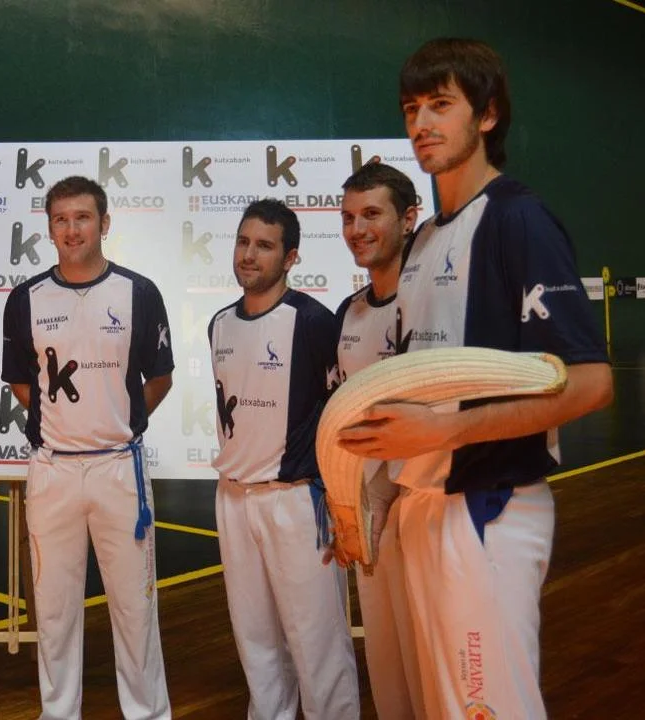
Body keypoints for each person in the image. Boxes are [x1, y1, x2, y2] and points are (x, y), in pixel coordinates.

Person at [338, 38, 614, 719]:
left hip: (488, 508)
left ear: (486, 115)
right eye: (412, 109)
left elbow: (590, 383)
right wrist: (373, 497)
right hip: (421, 506)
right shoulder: (425, 240)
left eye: (441, 105)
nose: (421, 124)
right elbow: (416, 390)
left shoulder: (518, 219)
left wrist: (446, 431)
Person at [1, 175, 173, 720]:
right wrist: (66, 426)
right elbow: (22, 383)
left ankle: (147, 713)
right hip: (52, 471)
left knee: (135, 609)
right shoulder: (25, 298)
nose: (72, 229)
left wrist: (119, 421)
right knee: (53, 612)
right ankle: (58, 713)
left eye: (82, 218)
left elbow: (159, 377)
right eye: (61, 219)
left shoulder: (139, 292)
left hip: (119, 469)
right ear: (49, 228)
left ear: (104, 223)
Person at [207, 198, 358, 720]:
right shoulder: (219, 324)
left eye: (264, 246)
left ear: (290, 257)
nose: (249, 255)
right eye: (243, 242)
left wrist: (338, 500)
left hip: (296, 501)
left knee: (317, 643)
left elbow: (339, 414)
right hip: (233, 498)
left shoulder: (313, 322)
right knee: (256, 641)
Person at [332, 162, 424, 719]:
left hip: (427, 508)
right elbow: (341, 420)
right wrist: (346, 503)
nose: (357, 229)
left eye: (371, 214)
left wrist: (391, 489)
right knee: (387, 669)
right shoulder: (350, 312)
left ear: (409, 218)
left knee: (432, 665)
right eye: (348, 218)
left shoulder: (432, 305)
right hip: (370, 516)